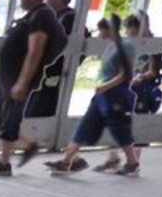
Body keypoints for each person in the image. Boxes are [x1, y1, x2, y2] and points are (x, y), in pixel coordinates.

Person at [0, 0, 67, 175]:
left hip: (18, 78)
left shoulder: (41, 16)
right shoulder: (33, 15)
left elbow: (35, 50)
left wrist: (23, 82)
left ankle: (3, 163)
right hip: (10, 77)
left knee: (9, 118)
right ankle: (27, 145)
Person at [44, 14, 140, 177]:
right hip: (102, 95)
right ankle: (66, 161)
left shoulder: (126, 46)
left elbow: (125, 74)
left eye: (101, 30)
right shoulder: (110, 46)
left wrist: (104, 86)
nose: (99, 34)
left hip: (114, 95)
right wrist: (101, 88)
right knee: (85, 125)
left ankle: (132, 162)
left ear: (109, 30)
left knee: (119, 129)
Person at [96, 9, 160, 172]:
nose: (128, 33)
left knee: (137, 124)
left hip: (142, 90)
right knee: (117, 120)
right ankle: (113, 158)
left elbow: (154, 70)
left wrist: (139, 77)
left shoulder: (151, 44)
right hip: (127, 88)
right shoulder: (129, 44)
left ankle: (132, 161)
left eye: (131, 29)